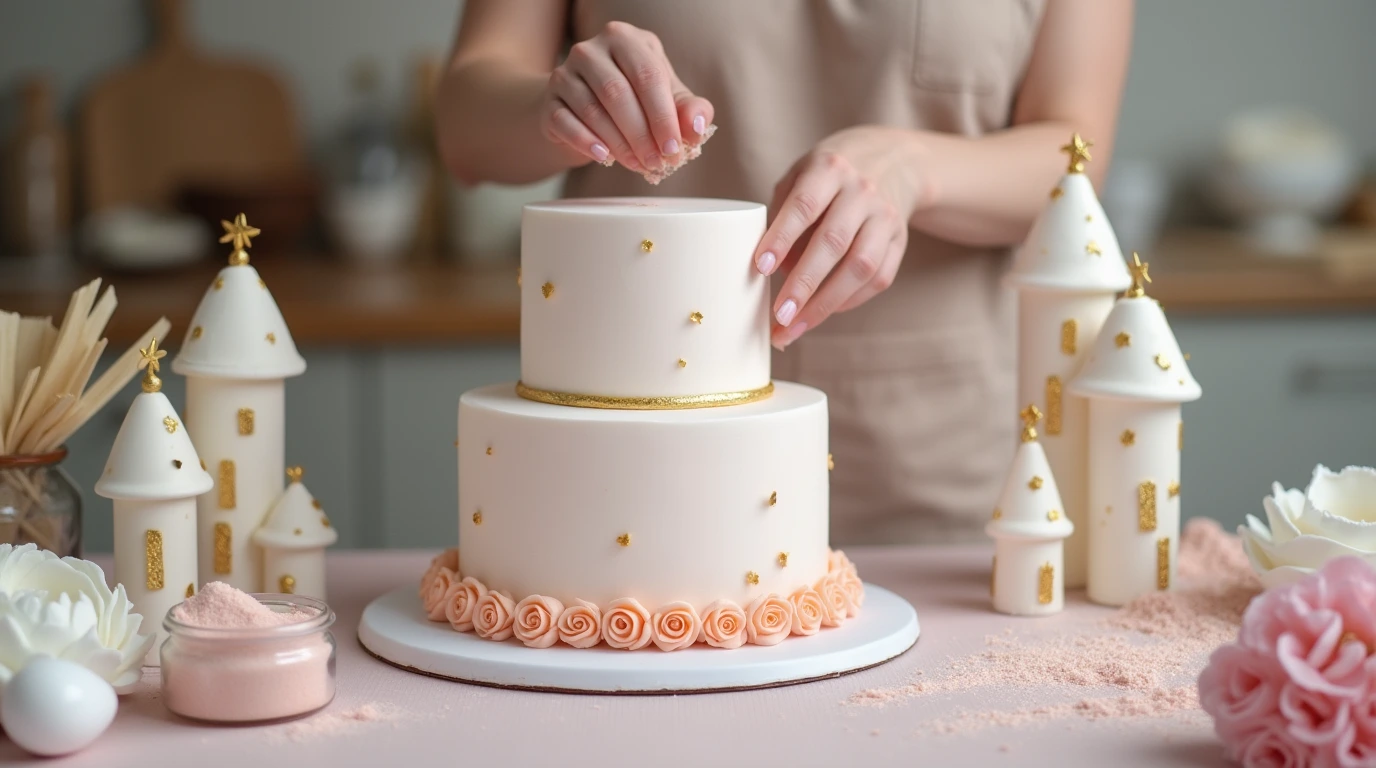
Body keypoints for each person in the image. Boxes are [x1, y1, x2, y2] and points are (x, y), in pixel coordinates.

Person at [436, 0, 1133, 545]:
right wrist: (554, 106)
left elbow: (1075, 152)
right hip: (633, 455)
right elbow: (465, 126)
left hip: (936, 464)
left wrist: (916, 169)